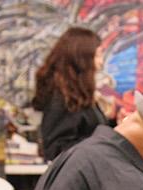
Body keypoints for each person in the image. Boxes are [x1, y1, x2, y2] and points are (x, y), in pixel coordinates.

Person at [33, 27, 111, 161]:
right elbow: (56, 148)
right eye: (98, 55)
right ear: (82, 58)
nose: (101, 62)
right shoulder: (63, 99)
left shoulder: (79, 97)